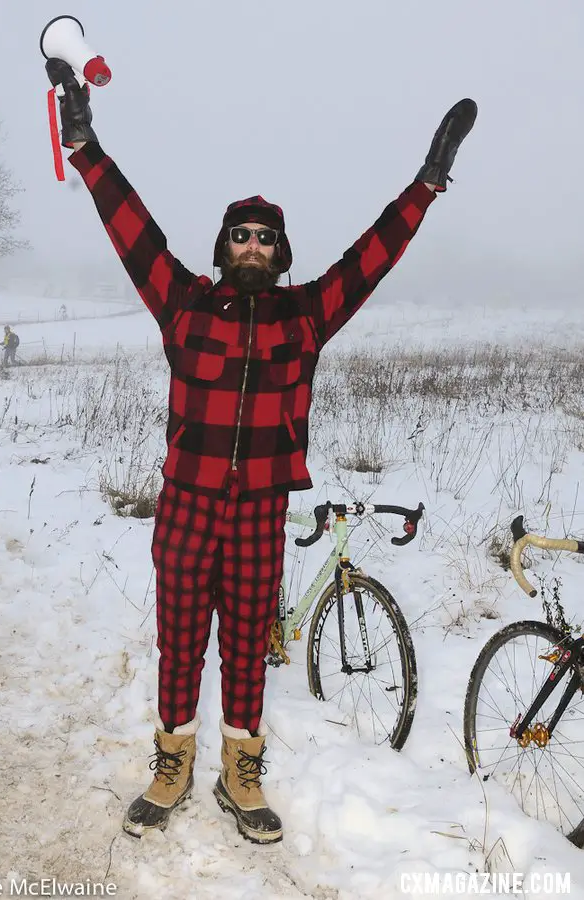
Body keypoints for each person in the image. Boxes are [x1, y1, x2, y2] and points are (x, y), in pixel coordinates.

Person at [45, 58, 477, 845]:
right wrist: (87, 148)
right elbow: (130, 229)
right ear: (223, 247)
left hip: (259, 509)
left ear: (280, 254)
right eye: (240, 234)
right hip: (187, 502)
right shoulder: (183, 304)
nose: (251, 244)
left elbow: (372, 257)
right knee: (181, 638)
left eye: (265, 238)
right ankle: (172, 758)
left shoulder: (306, 316)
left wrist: (426, 185)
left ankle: (240, 770)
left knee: (246, 643)